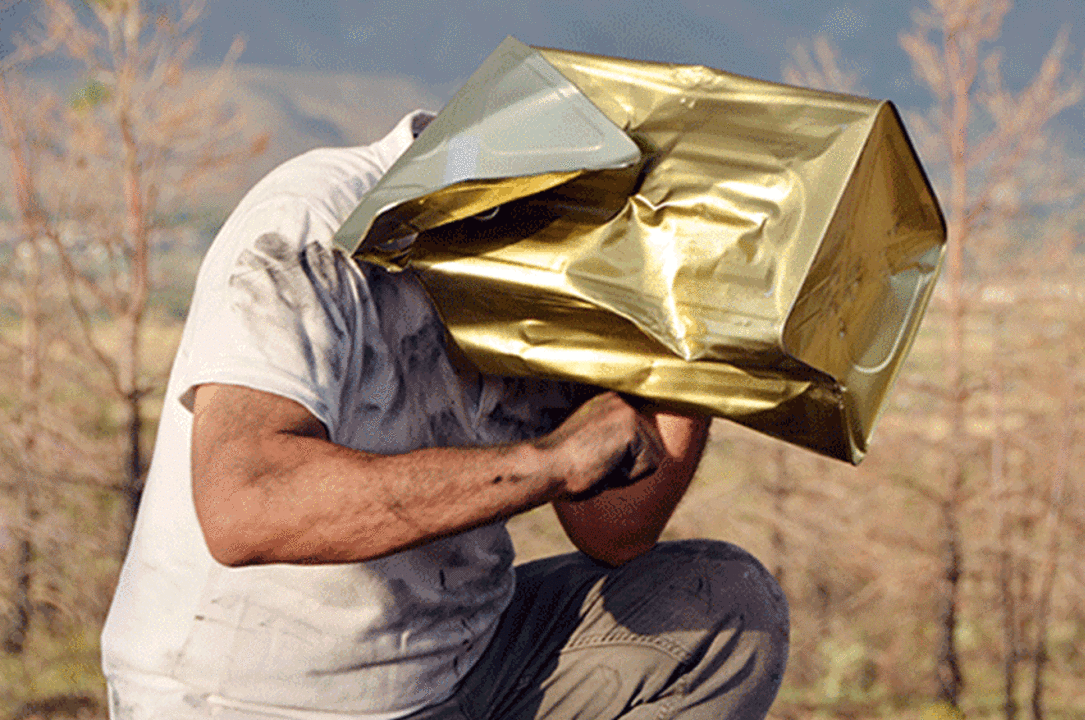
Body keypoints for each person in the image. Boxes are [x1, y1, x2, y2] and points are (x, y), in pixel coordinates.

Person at [101, 110, 789, 720]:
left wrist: (692, 340)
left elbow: (614, 529)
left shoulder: (577, 253)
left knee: (724, 607)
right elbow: (247, 505)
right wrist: (548, 462)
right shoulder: (315, 222)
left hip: (461, 665)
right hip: (249, 695)